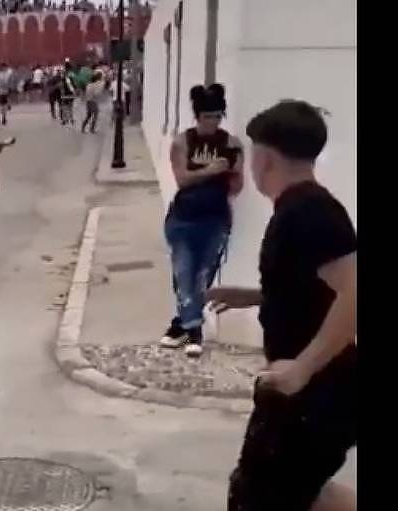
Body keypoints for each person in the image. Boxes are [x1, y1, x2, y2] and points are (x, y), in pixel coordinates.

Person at [207, 100, 356, 511]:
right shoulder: (301, 209)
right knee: (303, 495)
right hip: (312, 389)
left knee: (257, 498)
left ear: (266, 158)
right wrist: (258, 296)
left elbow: (355, 292)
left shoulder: (308, 211)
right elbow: (317, 285)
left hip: (315, 393)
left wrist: (303, 367)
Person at [159, 83, 243, 358]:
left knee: (202, 277)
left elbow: (236, 187)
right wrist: (211, 170)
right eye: (208, 116)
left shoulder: (230, 144)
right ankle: (193, 330)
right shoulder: (183, 142)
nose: (213, 122)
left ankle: (182, 326)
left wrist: (233, 172)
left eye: (218, 116)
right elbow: (182, 179)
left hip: (215, 219)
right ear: (198, 116)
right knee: (183, 274)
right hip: (183, 218)